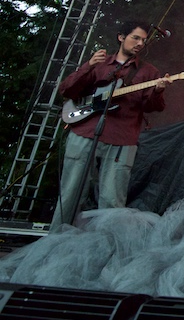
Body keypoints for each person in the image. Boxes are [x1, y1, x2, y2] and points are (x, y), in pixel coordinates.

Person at [51, 21, 170, 230]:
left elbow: (153, 107)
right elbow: (67, 90)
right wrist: (88, 66)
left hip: (122, 139)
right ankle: (54, 244)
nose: (140, 43)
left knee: (112, 201)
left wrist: (158, 91)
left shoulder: (149, 72)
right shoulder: (100, 63)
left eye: (143, 40)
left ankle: (107, 250)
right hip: (85, 132)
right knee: (70, 194)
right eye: (135, 38)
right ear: (121, 37)